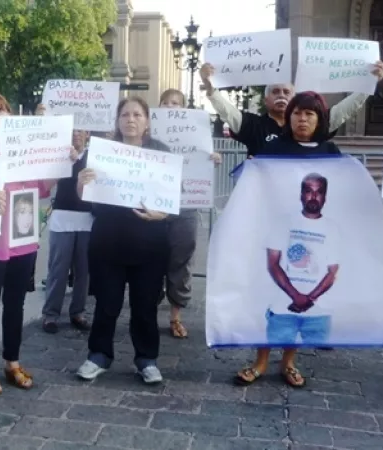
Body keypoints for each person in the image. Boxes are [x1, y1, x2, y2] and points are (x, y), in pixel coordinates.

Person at [0, 91, 76, 395]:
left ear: (10, 116)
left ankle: (12, 361)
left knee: (15, 303)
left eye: (1, 110)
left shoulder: (27, 151)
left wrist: (61, 161)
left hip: (23, 238)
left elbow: (42, 186)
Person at [234, 91, 342, 389]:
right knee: (272, 300)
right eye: (297, 113)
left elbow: (341, 192)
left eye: (309, 113)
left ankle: (289, 362)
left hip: (313, 240)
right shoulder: (274, 148)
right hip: (274, 233)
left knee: (300, 299)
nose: (302, 118)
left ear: (319, 118)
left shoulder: (330, 151)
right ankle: (260, 360)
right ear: (290, 117)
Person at [75, 96, 171, 385]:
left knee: (145, 306)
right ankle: (98, 356)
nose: (131, 119)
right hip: (108, 241)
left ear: (147, 122)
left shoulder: (160, 153)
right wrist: (82, 182)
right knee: (107, 304)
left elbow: (172, 199)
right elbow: (84, 199)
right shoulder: (102, 153)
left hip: (149, 243)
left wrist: (162, 214)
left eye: (137, 115)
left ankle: (146, 359)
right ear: (117, 121)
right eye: (125, 114)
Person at [199, 61, 383, 156]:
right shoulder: (253, 125)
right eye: (275, 92)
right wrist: (209, 85)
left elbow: (344, 110)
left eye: (286, 92)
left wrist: (369, 84)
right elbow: (227, 112)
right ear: (266, 99)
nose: (281, 95)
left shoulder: (314, 126)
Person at [157, 88, 221, 338]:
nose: (171, 107)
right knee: (152, 259)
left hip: (186, 205)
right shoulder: (148, 133)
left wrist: (211, 158)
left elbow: (201, 159)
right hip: (155, 205)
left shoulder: (195, 135)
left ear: (184, 108)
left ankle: (175, 316)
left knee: (182, 260)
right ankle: (147, 311)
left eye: (176, 103)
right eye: (166, 102)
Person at [264, 173, 340, 344]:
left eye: (319, 192)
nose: (313, 197)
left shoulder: (332, 228)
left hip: (319, 314)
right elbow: (273, 264)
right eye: (308, 191)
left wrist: (309, 299)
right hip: (282, 309)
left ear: (325, 197)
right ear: (301, 195)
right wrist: (295, 296)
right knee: (274, 348)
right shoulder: (282, 222)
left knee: (320, 361)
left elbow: (333, 272)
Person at [39, 105, 93, 334]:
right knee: (57, 269)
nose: (76, 134)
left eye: (80, 130)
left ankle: (77, 312)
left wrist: (78, 162)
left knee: (83, 271)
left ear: (88, 134)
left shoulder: (95, 155)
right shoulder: (58, 153)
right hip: (62, 216)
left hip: (87, 218)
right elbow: (46, 180)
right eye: (72, 130)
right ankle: (50, 314)